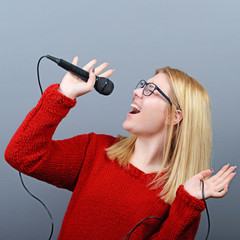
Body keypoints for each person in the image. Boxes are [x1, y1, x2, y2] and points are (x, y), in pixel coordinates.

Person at [5, 56, 236, 240]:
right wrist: (63, 95)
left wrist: (187, 205)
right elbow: (21, 155)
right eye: (142, 85)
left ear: (174, 116)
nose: (137, 91)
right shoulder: (96, 150)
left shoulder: (181, 197)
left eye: (150, 91)